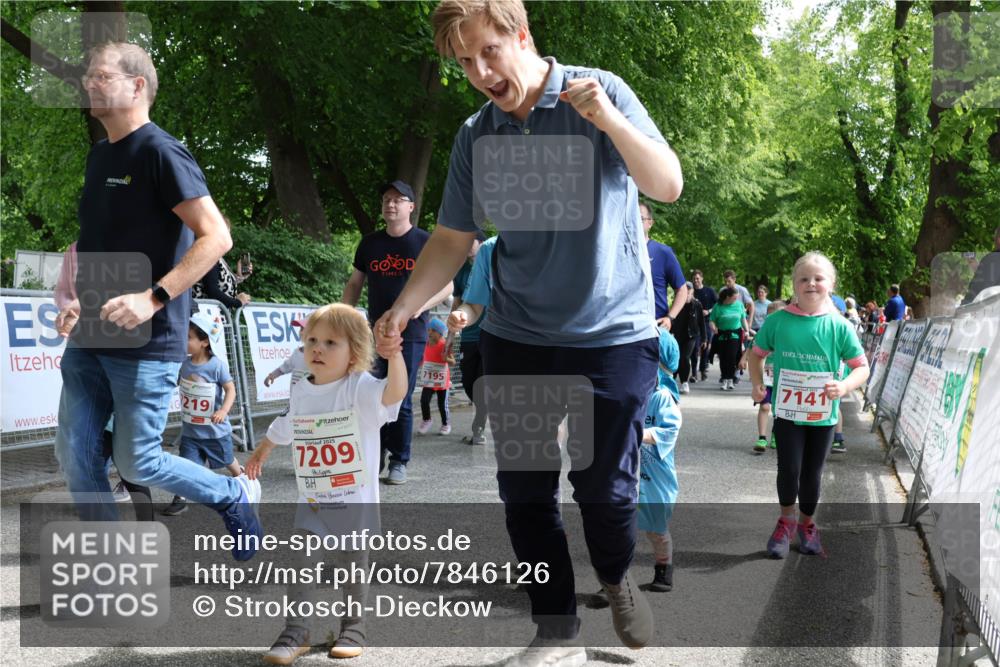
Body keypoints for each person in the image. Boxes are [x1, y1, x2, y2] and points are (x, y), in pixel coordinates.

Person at [378, 1, 684, 661]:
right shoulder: (476, 135)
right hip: (518, 334)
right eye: (464, 62)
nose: (480, 72)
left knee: (604, 490)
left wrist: (605, 119)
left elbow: (668, 183)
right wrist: (405, 306)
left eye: (489, 52)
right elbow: (456, 238)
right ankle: (557, 631)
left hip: (611, 334)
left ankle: (614, 572)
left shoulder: (595, 92)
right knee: (524, 491)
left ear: (523, 36)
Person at [52, 42, 261, 558]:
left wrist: (153, 297)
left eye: (100, 76)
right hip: (91, 335)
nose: (88, 84)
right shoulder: (100, 154)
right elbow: (102, 242)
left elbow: (216, 238)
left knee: (138, 462)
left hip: (148, 339)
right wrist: (79, 299)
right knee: (76, 455)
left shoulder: (161, 151)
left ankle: (231, 492)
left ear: (136, 85)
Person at [245, 304, 407, 664]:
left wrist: (394, 357)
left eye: (331, 342)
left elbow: (393, 394)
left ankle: (354, 626)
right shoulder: (302, 389)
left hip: (354, 501)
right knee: (302, 561)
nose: (317, 348)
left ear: (354, 354)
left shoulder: (359, 388)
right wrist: (262, 451)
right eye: (311, 341)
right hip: (314, 499)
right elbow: (288, 423)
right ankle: (296, 630)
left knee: (353, 565)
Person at [749, 252, 870, 558]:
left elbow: (862, 367)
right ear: (794, 284)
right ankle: (786, 520)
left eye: (818, 278)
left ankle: (807, 524)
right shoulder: (778, 321)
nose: (811, 284)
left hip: (823, 417)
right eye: (804, 279)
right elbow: (756, 353)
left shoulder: (839, 326)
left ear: (831, 284)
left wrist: (843, 386)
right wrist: (756, 383)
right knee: (788, 468)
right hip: (789, 413)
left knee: (812, 473)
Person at [342, 180, 452, 485]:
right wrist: (344, 318)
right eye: (386, 200)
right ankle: (373, 456)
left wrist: (419, 307)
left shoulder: (425, 243)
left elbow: (446, 286)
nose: (391, 204)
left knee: (399, 398)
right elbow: (354, 284)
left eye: (399, 200)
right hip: (374, 332)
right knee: (370, 397)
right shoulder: (369, 243)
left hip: (412, 332)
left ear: (411, 207)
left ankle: (399, 460)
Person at [162, 312, 242, 515]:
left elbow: (230, 389)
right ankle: (180, 498)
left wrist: (223, 410)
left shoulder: (216, 365)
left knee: (228, 460)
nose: (184, 341)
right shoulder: (184, 364)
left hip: (215, 431)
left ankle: (244, 482)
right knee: (187, 465)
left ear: (204, 342)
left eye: (188, 337)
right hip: (190, 432)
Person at [639, 327, 682, 592]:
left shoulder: (662, 398)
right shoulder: (628, 396)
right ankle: (614, 575)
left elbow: (670, 428)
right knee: (616, 527)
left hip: (656, 478)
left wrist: (637, 434)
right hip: (628, 473)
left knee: (656, 529)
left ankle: (663, 567)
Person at [450, 231, 489, 445]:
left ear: (481, 243)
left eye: (470, 242)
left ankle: (480, 423)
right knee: (467, 381)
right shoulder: (462, 271)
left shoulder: (493, 260)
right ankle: (484, 410)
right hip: (468, 335)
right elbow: (456, 304)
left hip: (490, 333)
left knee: (483, 381)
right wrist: (451, 334)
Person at [740, 300, 784, 453]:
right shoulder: (764, 331)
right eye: (770, 317)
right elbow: (753, 347)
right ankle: (762, 437)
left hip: (784, 377)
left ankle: (777, 435)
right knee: (765, 406)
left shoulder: (788, 333)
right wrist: (744, 358)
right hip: (766, 375)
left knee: (780, 411)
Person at [640, 202, 688, 330]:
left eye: (640, 218)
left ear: (650, 223)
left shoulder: (662, 252)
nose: (635, 222)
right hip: (623, 330)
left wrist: (670, 317)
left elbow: (682, 290)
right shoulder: (618, 253)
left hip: (654, 328)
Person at [416, 318, 454, 436]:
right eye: (428, 330)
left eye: (433, 330)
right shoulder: (425, 345)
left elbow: (453, 362)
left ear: (440, 333)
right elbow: (423, 359)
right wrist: (418, 363)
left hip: (442, 381)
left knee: (442, 404)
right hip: (429, 380)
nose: (429, 332)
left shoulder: (445, 345)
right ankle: (427, 420)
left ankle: (445, 424)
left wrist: (446, 359)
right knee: (424, 401)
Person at [670, 282, 706, 394]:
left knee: (685, 357)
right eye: (686, 292)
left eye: (689, 292)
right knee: (676, 357)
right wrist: (670, 332)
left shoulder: (697, 305)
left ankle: (684, 382)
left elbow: (701, 322)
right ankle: (672, 381)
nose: (687, 295)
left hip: (691, 335)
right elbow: (672, 318)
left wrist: (704, 339)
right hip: (678, 334)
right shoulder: (677, 303)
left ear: (692, 293)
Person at [709, 287, 748, 391]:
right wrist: (713, 327)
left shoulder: (739, 305)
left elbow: (743, 319)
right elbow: (712, 320)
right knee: (723, 358)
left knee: (732, 357)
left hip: (735, 335)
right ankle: (724, 378)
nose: (736, 300)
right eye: (734, 298)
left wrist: (747, 330)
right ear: (728, 297)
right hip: (721, 334)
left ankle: (730, 379)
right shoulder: (718, 306)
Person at [263, 319, 309, 389]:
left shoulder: (321, 355)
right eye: (301, 329)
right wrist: (272, 375)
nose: (301, 332)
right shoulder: (297, 353)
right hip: (296, 397)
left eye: (304, 329)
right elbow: (285, 367)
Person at [961, 225, 1000, 305]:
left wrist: (961, 310)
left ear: (999, 240)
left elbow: (975, 295)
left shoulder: (993, 258)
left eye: (994, 239)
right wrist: (980, 270)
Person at [691, 269, 717, 381]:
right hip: (694, 323)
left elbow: (717, 305)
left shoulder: (709, 291)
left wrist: (709, 311)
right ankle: (693, 373)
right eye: (694, 279)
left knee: (705, 347)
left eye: (697, 278)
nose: (696, 280)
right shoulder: (691, 292)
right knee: (694, 348)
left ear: (702, 278)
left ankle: (703, 369)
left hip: (706, 322)